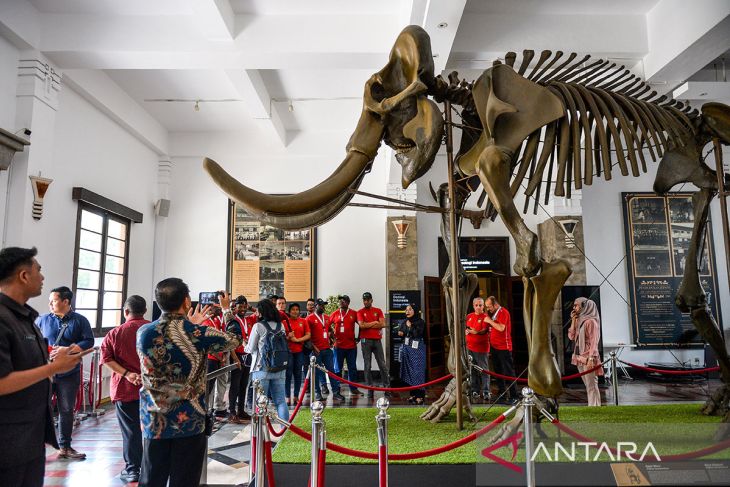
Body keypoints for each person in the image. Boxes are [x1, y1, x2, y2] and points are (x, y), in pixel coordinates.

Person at [137, 279, 240, 487]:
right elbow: (235, 339)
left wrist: (190, 323)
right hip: (189, 421)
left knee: (150, 479)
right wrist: (227, 310)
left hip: (153, 419)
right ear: (187, 301)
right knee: (184, 480)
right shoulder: (198, 334)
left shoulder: (144, 332)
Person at [0, 247, 82, 487]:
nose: (43, 277)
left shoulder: (26, 319)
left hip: (30, 437)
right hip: (8, 440)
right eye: (39, 270)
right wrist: (54, 368)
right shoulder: (3, 319)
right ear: (24, 275)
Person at [37, 285, 94, 459]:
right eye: (50, 300)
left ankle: (65, 446)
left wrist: (68, 350)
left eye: (54, 301)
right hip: (45, 372)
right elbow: (34, 340)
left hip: (69, 373)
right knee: (39, 409)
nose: (50, 304)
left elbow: (88, 341)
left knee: (66, 409)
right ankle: (36, 447)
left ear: (66, 301)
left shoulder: (80, 320)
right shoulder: (42, 320)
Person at [100, 295, 150, 483]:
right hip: (153, 389)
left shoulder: (115, 333)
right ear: (145, 311)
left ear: (125, 311)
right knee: (153, 429)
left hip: (126, 389)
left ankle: (133, 469)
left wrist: (127, 374)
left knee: (130, 430)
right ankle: (152, 465)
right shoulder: (153, 330)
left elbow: (106, 358)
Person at [245, 299, 290, 420]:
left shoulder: (258, 326)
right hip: (280, 368)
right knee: (280, 401)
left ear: (262, 311)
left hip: (261, 369)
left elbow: (250, 348)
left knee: (260, 402)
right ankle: (283, 430)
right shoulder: (281, 326)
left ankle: (260, 433)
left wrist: (245, 345)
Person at [568, 297, 603, 407]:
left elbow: (594, 342)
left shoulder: (591, 322)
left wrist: (591, 358)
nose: (574, 308)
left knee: (592, 384)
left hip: (588, 358)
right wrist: (573, 321)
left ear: (584, 306)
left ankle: (593, 407)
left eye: (576, 305)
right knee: (588, 385)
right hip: (579, 357)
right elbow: (571, 336)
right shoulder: (580, 320)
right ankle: (594, 406)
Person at [306, 298, 343, 401]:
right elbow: (307, 336)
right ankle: (318, 393)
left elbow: (329, 329)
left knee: (331, 371)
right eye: (321, 305)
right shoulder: (309, 319)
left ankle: (336, 392)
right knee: (316, 373)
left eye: (324, 306)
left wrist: (333, 339)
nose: (323, 307)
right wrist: (314, 347)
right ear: (315, 306)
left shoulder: (326, 317)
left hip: (327, 350)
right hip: (316, 351)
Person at [357, 292, 390, 398]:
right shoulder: (360, 312)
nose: (365, 301)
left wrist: (369, 324)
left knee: (382, 365)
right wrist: (374, 323)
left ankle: (387, 387)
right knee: (367, 365)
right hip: (365, 341)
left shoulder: (378, 310)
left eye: (367, 299)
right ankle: (370, 389)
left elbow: (383, 324)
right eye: (364, 300)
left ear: (371, 300)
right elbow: (361, 326)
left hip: (377, 341)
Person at [484, 296, 516, 403]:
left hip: (504, 347)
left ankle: (514, 395)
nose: (488, 309)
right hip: (494, 347)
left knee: (508, 371)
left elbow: (501, 328)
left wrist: (489, 321)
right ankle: (502, 393)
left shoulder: (503, 312)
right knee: (498, 371)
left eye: (489, 307)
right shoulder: (494, 314)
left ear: (495, 304)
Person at [228, 295, 254, 424]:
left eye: (245, 306)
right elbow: (230, 342)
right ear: (235, 307)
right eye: (240, 306)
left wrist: (250, 307)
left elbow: (259, 313)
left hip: (247, 356)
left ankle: (241, 410)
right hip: (237, 356)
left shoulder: (247, 320)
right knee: (235, 385)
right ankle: (232, 412)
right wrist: (234, 358)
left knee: (244, 384)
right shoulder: (233, 321)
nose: (243, 309)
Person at [330, 295, 362, 398]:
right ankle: (337, 389)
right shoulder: (335, 313)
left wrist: (359, 337)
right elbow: (326, 325)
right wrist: (332, 338)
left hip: (351, 346)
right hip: (338, 346)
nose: (341, 302)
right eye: (340, 301)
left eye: (343, 301)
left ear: (348, 302)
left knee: (352, 368)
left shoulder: (353, 313)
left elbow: (361, 325)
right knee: (338, 368)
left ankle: (353, 388)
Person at [203, 305, 230, 418]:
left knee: (216, 384)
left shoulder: (217, 322)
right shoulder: (206, 323)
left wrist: (223, 355)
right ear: (209, 310)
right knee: (208, 387)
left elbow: (223, 339)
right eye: (215, 308)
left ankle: (214, 409)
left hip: (219, 358)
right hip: (211, 359)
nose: (218, 310)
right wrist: (220, 358)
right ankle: (205, 411)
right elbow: (208, 345)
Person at [397, 303, 426, 405]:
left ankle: (420, 396)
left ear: (415, 310)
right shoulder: (405, 321)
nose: (407, 311)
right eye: (406, 310)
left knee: (418, 372)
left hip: (417, 350)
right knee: (409, 372)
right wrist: (407, 330)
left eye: (410, 309)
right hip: (408, 351)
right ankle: (413, 394)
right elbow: (400, 332)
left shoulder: (420, 322)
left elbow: (417, 333)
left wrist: (410, 327)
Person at [465, 297, 491, 401]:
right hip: (469, 347)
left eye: (480, 305)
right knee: (473, 370)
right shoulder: (469, 316)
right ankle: (474, 390)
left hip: (481, 349)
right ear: (473, 306)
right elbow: (466, 328)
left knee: (484, 371)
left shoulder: (485, 317)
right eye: (477, 305)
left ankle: (486, 391)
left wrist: (475, 332)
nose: (478, 307)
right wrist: (466, 331)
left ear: (483, 306)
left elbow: (483, 331)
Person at [285, 302, 310, 404]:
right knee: (288, 374)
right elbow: (281, 338)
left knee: (298, 374)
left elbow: (308, 335)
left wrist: (298, 340)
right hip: (288, 352)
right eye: (293, 310)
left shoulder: (303, 321)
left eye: (297, 309)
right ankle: (287, 397)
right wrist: (288, 337)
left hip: (299, 352)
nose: (295, 311)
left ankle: (296, 396)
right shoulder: (285, 322)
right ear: (289, 311)